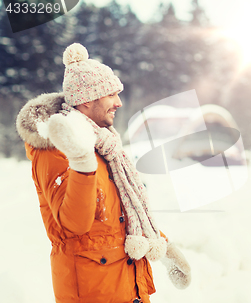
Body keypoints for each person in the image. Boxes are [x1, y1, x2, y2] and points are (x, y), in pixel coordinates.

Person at [16, 43, 191, 303]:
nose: (118, 102)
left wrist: (163, 247)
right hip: (93, 291)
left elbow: (122, 216)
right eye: (111, 94)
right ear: (87, 99)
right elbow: (74, 224)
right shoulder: (55, 149)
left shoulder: (106, 145)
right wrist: (81, 163)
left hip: (129, 288)